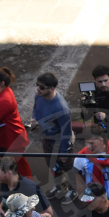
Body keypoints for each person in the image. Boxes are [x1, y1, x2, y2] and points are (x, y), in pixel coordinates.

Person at [31, 72, 76, 203]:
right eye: (37, 85)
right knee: (52, 165)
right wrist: (34, 118)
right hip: (47, 139)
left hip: (60, 141)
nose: (38, 89)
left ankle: (74, 189)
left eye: (42, 87)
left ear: (52, 88)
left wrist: (64, 152)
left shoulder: (61, 108)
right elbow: (35, 108)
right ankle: (60, 186)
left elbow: (66, 132)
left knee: (68, 167)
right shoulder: (39, 96)